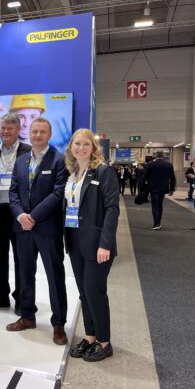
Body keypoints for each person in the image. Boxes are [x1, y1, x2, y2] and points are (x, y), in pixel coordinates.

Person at [6, 117, 69, 345]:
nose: (38, 135)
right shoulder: (21, 161)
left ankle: (59, 324)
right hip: (22, 228)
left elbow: (58, 193)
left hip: (47, 229)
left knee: (55, 277)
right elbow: (13, 192)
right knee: (24, 274)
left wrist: (33, 216)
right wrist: (21, 215)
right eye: (34, 131)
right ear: (29, 133)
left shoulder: (59, 161)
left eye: (42, 132)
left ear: (49, 135)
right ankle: (27, 316)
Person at [63, 128, 119, 362]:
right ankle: (90, 336)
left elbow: (112, 209)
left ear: (93, 148)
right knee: (84, 293)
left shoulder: (103, 172)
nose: (81, 148)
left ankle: (105, 342)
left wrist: (105, 243)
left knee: (95, 292)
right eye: (77, 144)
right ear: (71, 147)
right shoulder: (72, 172)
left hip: (97, 244)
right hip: (75, 241)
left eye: (86, 144)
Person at [0, 112, 31, 314]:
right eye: (3, 128)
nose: (5, 132)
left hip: (19, 212)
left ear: (18, 130)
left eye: (10, 128)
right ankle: (2, 294)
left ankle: (21, 297)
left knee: (21, 257)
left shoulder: (28, 151)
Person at [140, 151, 176, 230]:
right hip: (163, 188)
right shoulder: (169, 165)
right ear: (163, 156)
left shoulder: (150, 164)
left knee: (155, 206)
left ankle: (156, 223)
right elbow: (172, 178)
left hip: (153, 188)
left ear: (155, 156)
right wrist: (172, 189)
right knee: (160, 205)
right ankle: (159, 221)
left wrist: (141, 188)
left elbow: (145, 177)